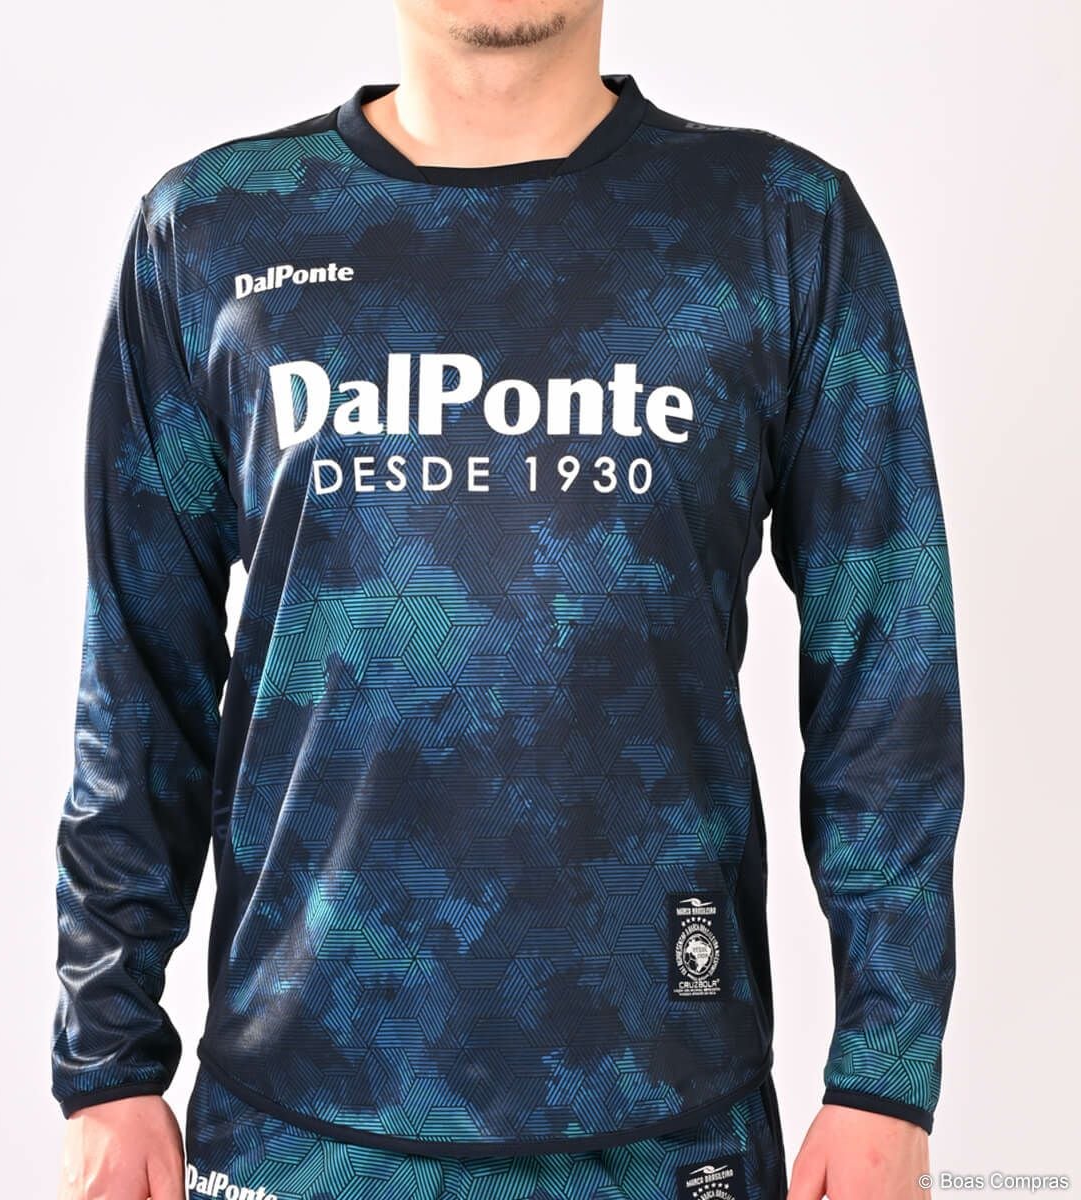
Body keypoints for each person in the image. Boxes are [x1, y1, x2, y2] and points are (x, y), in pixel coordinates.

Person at [51, 2, 965, 1197]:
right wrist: (107, 1060)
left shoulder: (777, 225)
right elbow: (138, 668)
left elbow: (889, 666)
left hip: (664, 1114)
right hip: (301, 1122)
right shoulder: (214, 233)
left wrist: (886, 1074)